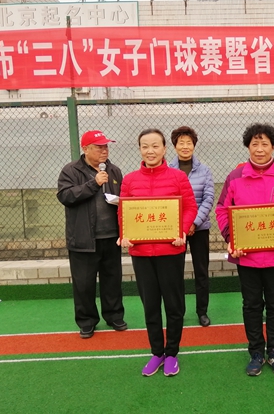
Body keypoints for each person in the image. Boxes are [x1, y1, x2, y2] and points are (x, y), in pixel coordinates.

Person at [216, 123, 274, 377]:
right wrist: (231, 238)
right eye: (254, 144)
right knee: (251, 304)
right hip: (246, 256)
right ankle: (256, 351)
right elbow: (222, 209)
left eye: (264, 143)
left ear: (273, 146)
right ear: (247, 146)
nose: (259, 149)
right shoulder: (235, 177)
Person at [119, 128, 198, 377]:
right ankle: (157, 352)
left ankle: (172, 352)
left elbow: (190, 207)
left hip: (171, 250)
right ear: (139, 149)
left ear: (165, 149)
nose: (150, 151)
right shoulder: (130, 180)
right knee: (150, 305)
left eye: (155, 146)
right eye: (145, 146)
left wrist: (182, 230)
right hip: (141, 253)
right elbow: (123, 212)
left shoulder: (178, 177)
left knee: (174, 305)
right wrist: (124, 234)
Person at [57, 130, 126, 339]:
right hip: (83, 239)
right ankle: (87, 321)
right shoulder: (70, 170)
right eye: (99, 147)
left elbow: (123, 199)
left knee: (112, 281)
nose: (104, 150)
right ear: (85, 149)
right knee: (84, 284)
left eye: (106, 146)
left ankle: (114, 316)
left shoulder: (114, 170)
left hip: (111, 237)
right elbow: (65, 196)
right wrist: (93, 184)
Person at [169, 126, 215, 327]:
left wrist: (194, 222)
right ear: (175, 146)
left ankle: (202, 311)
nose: (185, 147)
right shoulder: (168, 170)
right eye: (181, 143)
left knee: (201, 271)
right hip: (175, 230)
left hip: (199, 228)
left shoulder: (205, 170)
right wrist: (182, 224)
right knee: (175, 272)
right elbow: (166, 201)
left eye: (189, 143)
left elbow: (208, 198)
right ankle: (177, 312)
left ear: (194, 145)